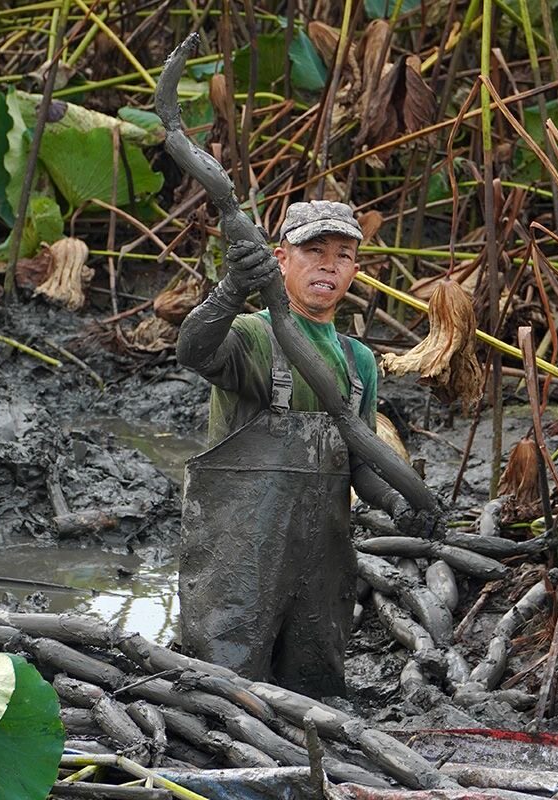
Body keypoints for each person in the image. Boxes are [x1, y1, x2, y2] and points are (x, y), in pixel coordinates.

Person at [175, 200, 434, 699]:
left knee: (314, 694)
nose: (328, 265)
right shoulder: (253, 335)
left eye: (343, 255)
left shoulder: (359, 361)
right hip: (238, 564)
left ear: (354, 270)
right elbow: (193, 350)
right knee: (225, 694)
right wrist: (231, 289)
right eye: (314, 251)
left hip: (320, 565)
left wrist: (398, 502)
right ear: (281, 259)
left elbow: (359, 465)